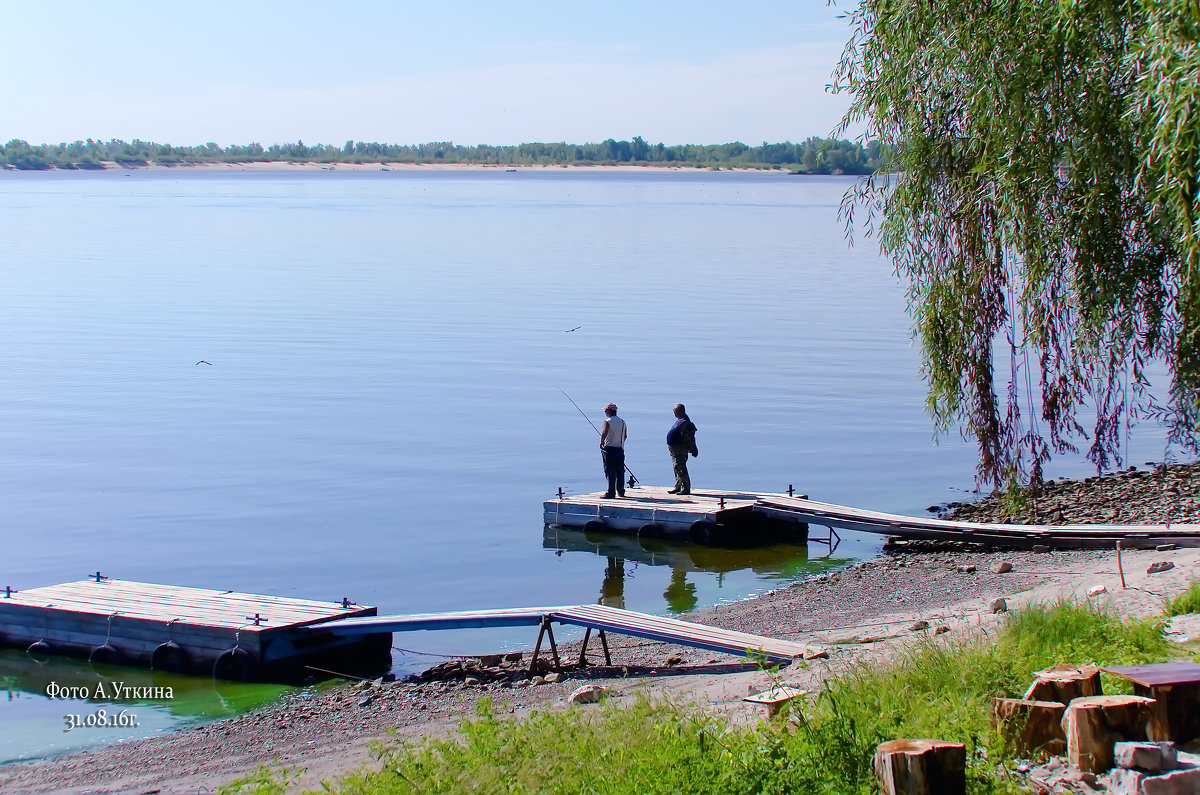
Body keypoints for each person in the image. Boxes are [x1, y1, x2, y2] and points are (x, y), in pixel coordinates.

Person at [666, 403, 698, 495]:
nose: (673, 411)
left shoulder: (685, 422)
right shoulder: (680, 420)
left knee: (680, 467)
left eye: (675, 410)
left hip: (680, 449)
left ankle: (686, 489)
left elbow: (688, 438)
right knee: (676, 467)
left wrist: (693, 448)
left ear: (680, 411)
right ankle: (678, 486)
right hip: (674, 449)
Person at [599, 402, 627, 498]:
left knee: (610, 471)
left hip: (609, 449)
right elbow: (625, 436)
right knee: (620, 471)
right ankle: (621, 491)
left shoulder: (608, 421)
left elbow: (604, 433)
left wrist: (602, 442)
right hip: (620, 449)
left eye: (606, 410)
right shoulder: (622, 422)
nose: (605, 412)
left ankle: (611, 492)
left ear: (610, 411)